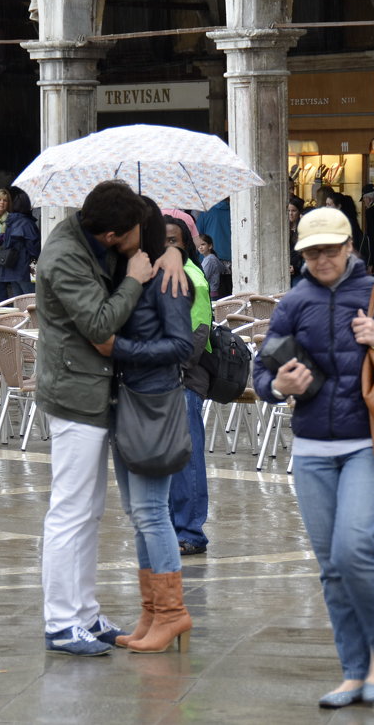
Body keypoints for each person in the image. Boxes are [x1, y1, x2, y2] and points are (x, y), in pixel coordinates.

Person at [252, 207, 374, 708]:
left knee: (354, 546)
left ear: (349, 247)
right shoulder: (293, 303)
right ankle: (353, 671)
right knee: (331, 567)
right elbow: (259, 371)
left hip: (367, 444)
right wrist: (277, 385)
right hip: (312, 449)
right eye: (312, 251)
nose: (321, 259)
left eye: (330, 249)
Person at [36, 180, 187, 657]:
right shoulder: (65, 255)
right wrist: (135, 279)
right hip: (76, 395)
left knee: (88, 512)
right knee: (71, 511)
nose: (134, 241)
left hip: (99, 394)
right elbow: (101, 325)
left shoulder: (95, 244)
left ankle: (84, 613)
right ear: (110, 234)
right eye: (128, 235)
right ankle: (62, 621)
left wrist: (173, 255)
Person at [108, 203, 198, 653]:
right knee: (136, 511)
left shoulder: (169, 276)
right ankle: (151, 611)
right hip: (128, 400)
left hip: (155, 400)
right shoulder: (134, 270)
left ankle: (172, 613)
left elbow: (181, 344)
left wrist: (119, 348)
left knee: (151, 511)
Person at [164, 218, 212, 557]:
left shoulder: (192, 277)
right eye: (160, 240)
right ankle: (171, 526)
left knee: (187, 459)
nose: (167, 246)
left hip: (183, 379)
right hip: (162, 381)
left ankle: (191, 530)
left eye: (173, 240)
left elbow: (195, 336)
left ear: (187, 244)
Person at [0, 187, 40, 303]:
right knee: (32, 300)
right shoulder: (27, 223)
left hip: (11, 267)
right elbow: (34, 249)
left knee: (19, 302)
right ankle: (32, 322)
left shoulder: (10, 221)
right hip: (26, 269)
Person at [196, 233, 225, 300]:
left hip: (210, 294)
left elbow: (202, 278)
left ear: (210, 246)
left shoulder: (210, 259)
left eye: (203, 244)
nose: (200, 247)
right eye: (198, 245)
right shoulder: (211, 258)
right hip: (213, 293)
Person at [288, 195, 306, 287]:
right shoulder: (284, 229)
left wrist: (295, 267)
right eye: (289, 211)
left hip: (298, 271)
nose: (290, 213)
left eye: (293, 211)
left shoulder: (303, 229)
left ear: (299, 212)